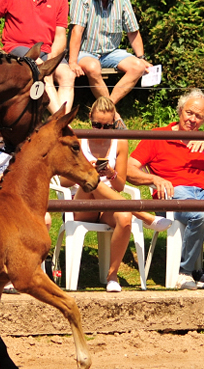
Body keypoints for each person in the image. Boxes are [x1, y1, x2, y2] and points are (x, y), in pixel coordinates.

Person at [128, 89, 204, 290]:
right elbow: (128, 169)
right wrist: (153, 178)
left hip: (203, 192)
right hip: (174, 192)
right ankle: (184, 272)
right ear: (180, 111)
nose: (192, 119)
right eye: (189, 113)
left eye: (198, 116)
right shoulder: (158, 136)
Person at [67, 97, 171, 292]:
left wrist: (111, 173)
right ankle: (143, 214)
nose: (100, 131)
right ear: (89, 118)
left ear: (114, 124)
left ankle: (112, 276)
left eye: (107, 127)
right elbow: (62, 181)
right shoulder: (77, 139)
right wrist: (82, 172)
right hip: (82, 203)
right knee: (92, 180)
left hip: (110, 202)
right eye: (96, 125)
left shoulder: (119, 142)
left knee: (124, 218)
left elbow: (120, 185)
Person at [68, 0, 151, 124]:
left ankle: (108, 109)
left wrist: (142, 58)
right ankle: (114, 115)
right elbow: (77, 31)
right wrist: (73, 62)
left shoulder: (123, 2)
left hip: (111, 52)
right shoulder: (82, 1)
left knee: (138, 67)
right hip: (85, 51)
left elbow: (133, 31)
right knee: (93, 67)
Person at [0, 0, 75, 114]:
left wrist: (52, 57)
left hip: (47, 50)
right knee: (44, 71)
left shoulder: (60, 1)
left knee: (68, 75)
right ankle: (61, 122)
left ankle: (60, 120)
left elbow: (60, 36)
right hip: (16, 46)